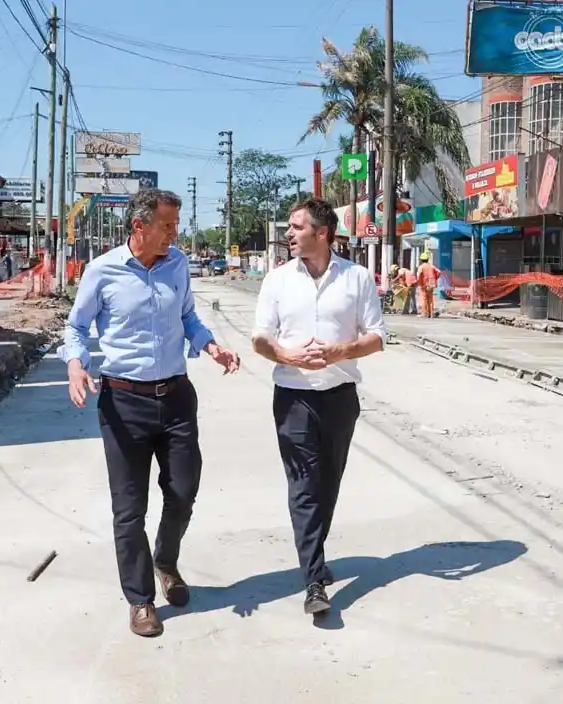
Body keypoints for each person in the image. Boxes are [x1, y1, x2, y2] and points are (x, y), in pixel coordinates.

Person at [61, 188, 241, 638]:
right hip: (124, 402)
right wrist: (75, 365)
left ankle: (166, 560)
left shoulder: (177, 264)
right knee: (129, 509)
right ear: (139, 226)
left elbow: (189, 318)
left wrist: (210, 345)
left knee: (183, 491)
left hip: (177, 397)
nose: (173, 235)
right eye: (166, 226)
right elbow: (77, 327)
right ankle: (140, 599)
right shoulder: (102, 271)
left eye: (175, 227)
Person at [251, 198, 387, 616]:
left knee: (327, 483)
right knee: (303, 486)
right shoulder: (276, 281)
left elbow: (378, 336)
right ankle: (313, 582)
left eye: (296, 227)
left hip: (340, 397)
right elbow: (260, 338)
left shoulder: (357, 278)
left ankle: (315, 554)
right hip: (292, 397)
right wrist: (288, 357)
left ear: (321, 233)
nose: (288, 234)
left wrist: (341, 351)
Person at [416, 252, 441, 319]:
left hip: (424, 285)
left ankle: (425, 314)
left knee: (424, 299)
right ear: (427, 259)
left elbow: (418, 276)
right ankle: (431, 314)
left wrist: (420, 283)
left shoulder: (421, 267)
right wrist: (435, 278)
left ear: (421, 260)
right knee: (430, 299)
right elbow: (439, 272)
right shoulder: (432, 266)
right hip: (431, 284)